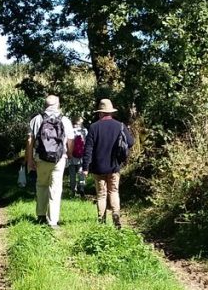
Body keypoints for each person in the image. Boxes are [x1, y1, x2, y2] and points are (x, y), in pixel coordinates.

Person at [82, 98, 134, 229]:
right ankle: (116, 214)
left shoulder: (94, 127)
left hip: (98, 167)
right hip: (114, 166)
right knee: (114, 191)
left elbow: (88, 149)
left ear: (100, 113)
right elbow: (131, 142)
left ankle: (101, 220)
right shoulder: (120, 126)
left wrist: (85, 167)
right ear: (111, 112)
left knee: (101, 194)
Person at [26, 94, 74, 227]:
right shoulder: (65, 120)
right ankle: (52, 221)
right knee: (56, 188)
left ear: (45, 105)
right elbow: (70, 140)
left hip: (41, 159)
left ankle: (41, 216)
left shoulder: (37, 119)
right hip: (59, 159)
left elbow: (30, 140)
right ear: (58, 105)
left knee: (41, 185)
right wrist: (69, 154)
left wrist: (29, 160)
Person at [68, 117, 87, 198]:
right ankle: (81, 188)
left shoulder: (70, 130)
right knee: (81, 172)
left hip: (71, 156)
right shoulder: (85, 131)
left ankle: (73, 190)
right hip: (81, 156)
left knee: (72, 174)